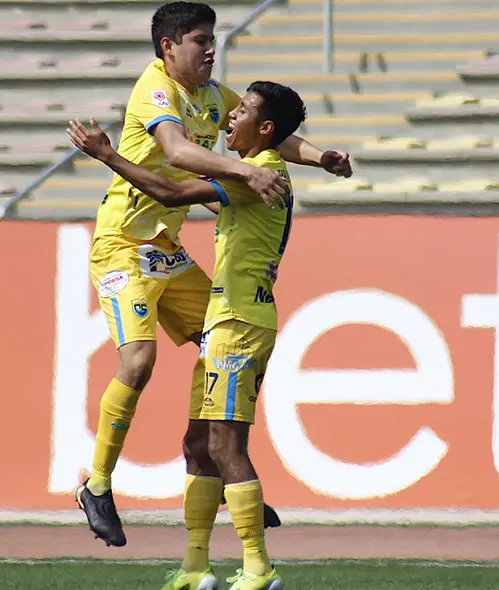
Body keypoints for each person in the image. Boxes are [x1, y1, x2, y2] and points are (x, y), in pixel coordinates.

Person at [75, 0, 352, 549]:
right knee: (141, 358)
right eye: (201, 40)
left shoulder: (210, 94)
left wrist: (321, 157)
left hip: (165, 250)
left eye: (213, 39)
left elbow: (274, 138)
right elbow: (176, 154)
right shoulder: (156, 90)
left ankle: (227, 467)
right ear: (169, 47)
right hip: (122, 246)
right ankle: (98, 484)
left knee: (225, 340)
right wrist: (244, 168)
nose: (211, 49)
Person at [69, 78, 304, 590]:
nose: (231, 119)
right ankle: (196, 566)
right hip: (216, 312)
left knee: (223, 444)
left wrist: (106, 154)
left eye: (242, 113)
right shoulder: (256, 169)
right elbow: (258, 146)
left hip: (237, 323)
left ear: (262, 129)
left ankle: (258, 567)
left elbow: (171, 185)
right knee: (199, 444)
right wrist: (322, 154)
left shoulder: (257, 174)